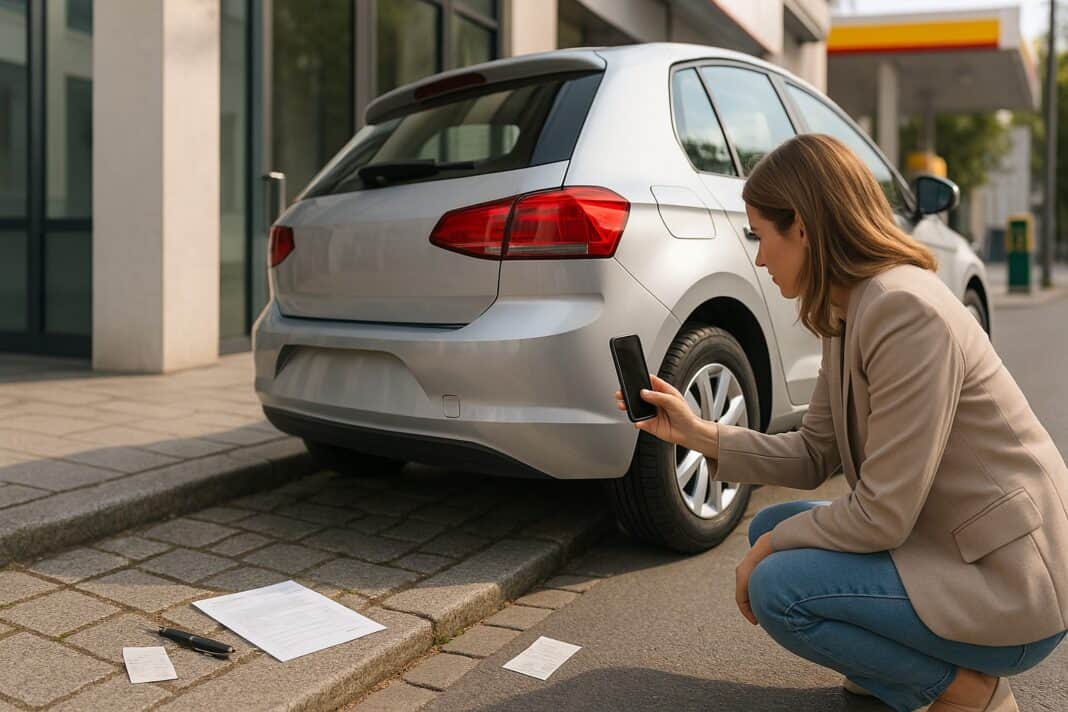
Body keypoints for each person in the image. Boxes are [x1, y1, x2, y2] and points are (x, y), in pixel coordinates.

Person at [613, 133, 1068, 712]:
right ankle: (891, 666)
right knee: (769, 532)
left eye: (761, 234)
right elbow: (815, 452)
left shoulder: (905, 311)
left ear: (801, 227)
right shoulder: (849, 308)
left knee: (777, 583)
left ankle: (966, 691)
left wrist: (771, 549)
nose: (759, 256)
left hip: (1014, 587)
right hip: (950, 546)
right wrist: (698, 434)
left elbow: (882, 513)